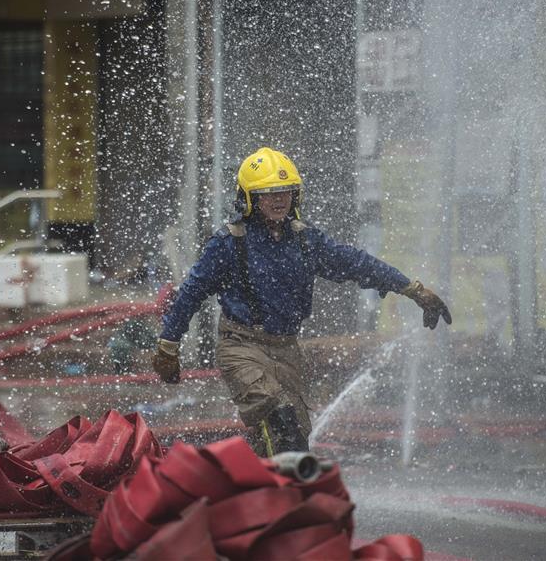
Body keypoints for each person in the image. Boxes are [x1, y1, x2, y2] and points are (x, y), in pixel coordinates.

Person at [151, 147, 451, 456]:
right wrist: (168, 346)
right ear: (249, 199)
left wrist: (412, 290)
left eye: (286, 191)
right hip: (241, 347)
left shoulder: (305, 240)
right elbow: (191, 292)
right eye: (268, 193)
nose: (279, 199)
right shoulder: (229, 243)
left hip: (286, 350)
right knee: (279, 418)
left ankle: (252, 491)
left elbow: (356, 263)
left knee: (294, 447)